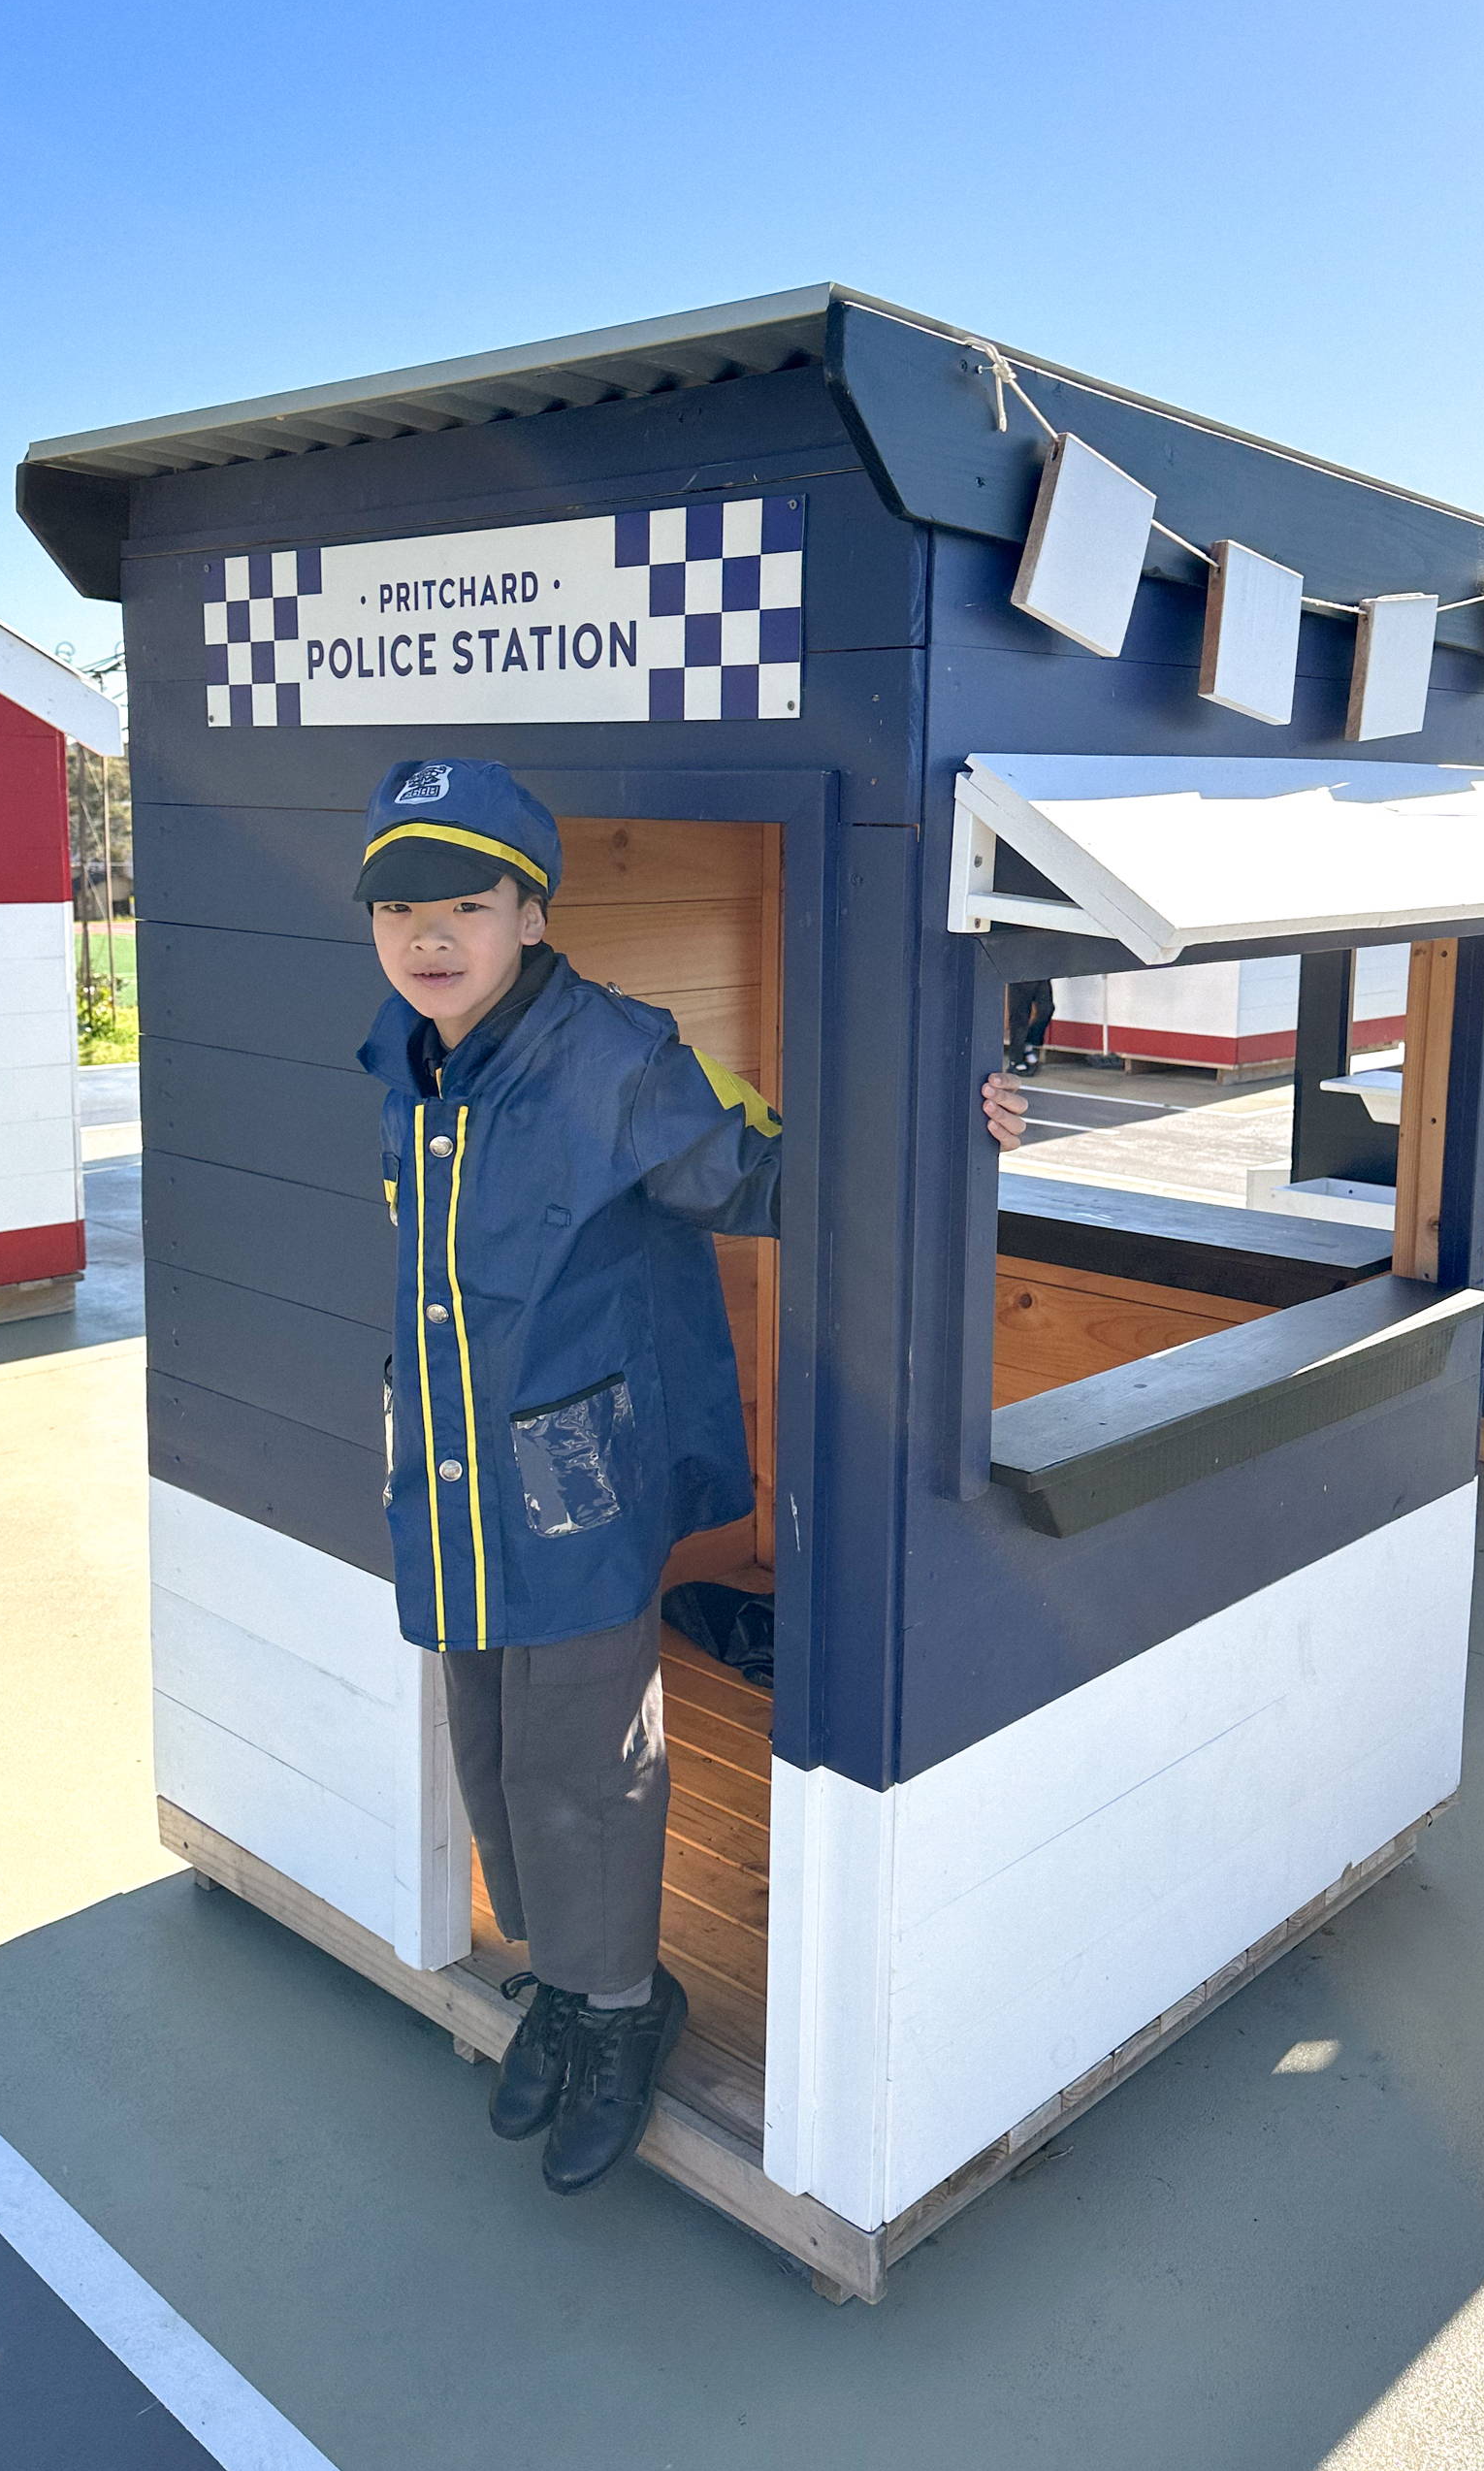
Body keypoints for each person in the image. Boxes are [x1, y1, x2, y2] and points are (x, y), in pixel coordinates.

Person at [354, 757, 1029, 2195]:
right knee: (486, 1738)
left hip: (571, 1483)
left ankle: (618, 2008)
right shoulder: (400, 1055)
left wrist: (946, 1123)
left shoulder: (620, 1056)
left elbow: (778, 1172)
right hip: (456, 1479)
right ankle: (560, 1972)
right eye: (400, 907)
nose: (428, 935)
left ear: (529, 914)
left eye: (463, 904)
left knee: (584, 1758)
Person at [1005, 978, 1055, 1074]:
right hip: (1019, 973)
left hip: (1041, 972)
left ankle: (1029, 1044)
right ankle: (1016, 1059)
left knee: (1046, 1010)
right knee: (1019, 1018)